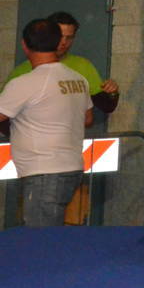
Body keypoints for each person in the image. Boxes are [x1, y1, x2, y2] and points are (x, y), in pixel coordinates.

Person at [0, 19, 92, 227]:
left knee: (40, 237)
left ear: (24, 45)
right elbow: (87, 118)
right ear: (58, 42)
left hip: (44, 172)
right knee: (52, 233)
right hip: (71, 168)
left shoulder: (25, 83)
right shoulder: (78, 79)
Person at [7, 11, 119, 128]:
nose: (64, 42)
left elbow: (104, 107)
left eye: (69, 37)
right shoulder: (22, 71)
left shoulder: (83, 66)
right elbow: (5, 116)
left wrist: (112, 93)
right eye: (60, 36)